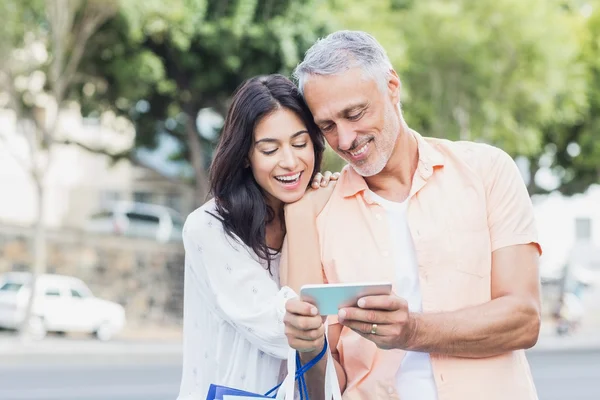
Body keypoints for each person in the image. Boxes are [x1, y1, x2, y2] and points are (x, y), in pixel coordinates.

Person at [283, 30, 543, 400]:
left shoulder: (487, 171)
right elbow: (325, 385)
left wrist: (412, 332)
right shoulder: (320, 214)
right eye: (327, 127)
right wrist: (308, 348)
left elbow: (524, 320)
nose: (344, 140)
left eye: (355, 114)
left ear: (392, 86)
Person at [176, 74, 340, 400]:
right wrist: (302, 215)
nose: (290, 162)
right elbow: (291, 333)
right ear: (246, 157)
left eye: (299, 143)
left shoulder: (323, 210)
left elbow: (335, 343)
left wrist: (300, 214)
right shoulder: (208, 229)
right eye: (269, 149)